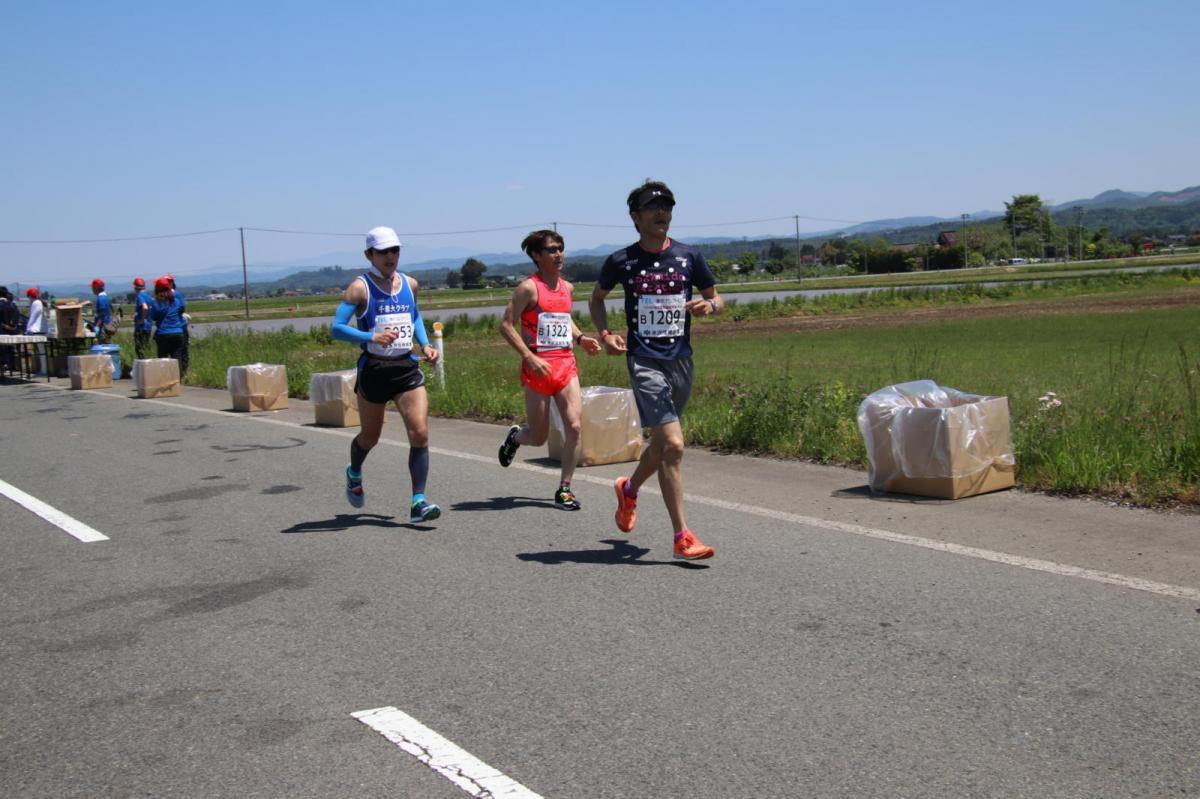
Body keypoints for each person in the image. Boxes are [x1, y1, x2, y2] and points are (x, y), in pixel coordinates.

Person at [588, 180, 724, 561]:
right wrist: (605, 334)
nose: (662, 212)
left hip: (680, 361)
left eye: (667, 206)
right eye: (653, 207)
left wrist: (710, 306)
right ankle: (682, 536)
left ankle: (629, 489)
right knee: (674, 446)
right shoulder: (621, 261)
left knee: (663, 445)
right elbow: (596, 299)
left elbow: (717, 299)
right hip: (643, 359)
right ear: (635, 217)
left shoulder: (689, 256)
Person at [330, 226, 442, 524]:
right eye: (383, 252)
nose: (390, 256)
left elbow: (414, 315)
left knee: (420, 432)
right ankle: (354, 472)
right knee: (370, 437)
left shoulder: (410, 283)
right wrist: (371, 336)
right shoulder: (359, 288)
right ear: (369, 255)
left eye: (395, 250)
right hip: (375, 371)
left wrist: (425, 344)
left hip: (406, 368)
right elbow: (337, 328)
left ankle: (418, 502)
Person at [497, 230, 602, 509]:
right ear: (536, 255)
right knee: (538, 436)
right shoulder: (528, 289)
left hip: (565, 364)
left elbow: (563, 319)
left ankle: (564, 489)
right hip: (538, 368)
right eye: (552, 250)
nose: (558, 255)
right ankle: (516, 437)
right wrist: (528, 356)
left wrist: (581, 338)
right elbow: (506, 325)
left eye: (561, 248)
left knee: (575, 426)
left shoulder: (567, 288)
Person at [149, 277, 187, 373]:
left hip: (163, 333)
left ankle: (165, 378)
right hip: (178, 332)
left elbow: (153, 317)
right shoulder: (176, 301)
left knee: (163, 359)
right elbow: (181, 309)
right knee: (177, 358)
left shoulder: (156, 303)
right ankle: (177, 378)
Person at [24, 287, 49, 375]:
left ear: (30, 296)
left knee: (41, 352)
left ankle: (44, 370)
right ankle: (44, 369)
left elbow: (33, 317)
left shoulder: (35, 303)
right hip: (42, 329)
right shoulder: (39, 302)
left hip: (37, 330)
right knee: (42, 351)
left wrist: (27, 328)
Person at [131, 277, 153, 360]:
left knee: (139, 349)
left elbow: (145, 307)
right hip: (148, 326)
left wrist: (142, 319)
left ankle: (142, 365)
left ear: (135, 287)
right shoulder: (149, 296)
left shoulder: (140, 296)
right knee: (145, 348)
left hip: (141, 327)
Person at [90, 279, 114, 344]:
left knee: (103, 345)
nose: (92, 289)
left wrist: (97, 326)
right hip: (107, 325)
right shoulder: (105, 297)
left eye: (92, 287)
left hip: (103, 327)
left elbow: (102, 315)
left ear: (96, 287)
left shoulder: (101, 299)